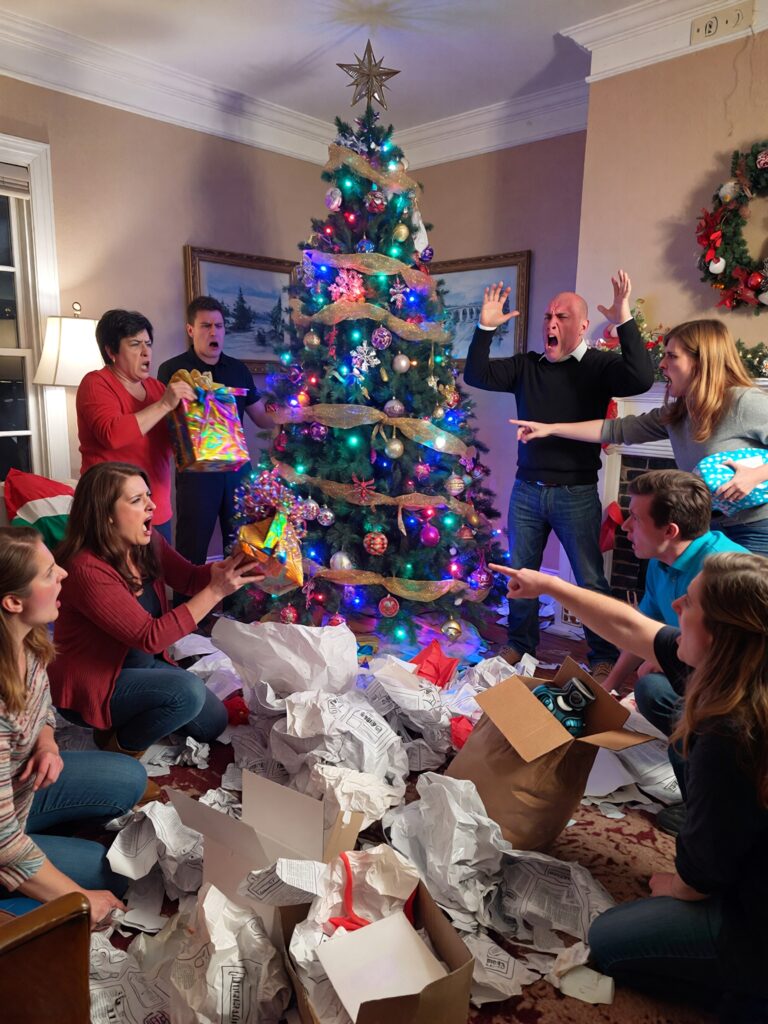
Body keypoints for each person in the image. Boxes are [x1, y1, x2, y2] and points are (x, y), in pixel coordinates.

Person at [491, 554, 768, 1023]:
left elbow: (703, 875)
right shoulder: (738, 669)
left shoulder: (730, 732)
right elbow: (631, 627)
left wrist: (681, 885)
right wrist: (548, 585)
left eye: (691, 602)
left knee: (610, 942)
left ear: (719, 635)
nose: (676, 603)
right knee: (671, 716)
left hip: (756, 918)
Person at [463, 270, 654, 680]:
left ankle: (601, 652)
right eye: (549, 315)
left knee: (589, 580)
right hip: (527, 491)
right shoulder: (526, 366)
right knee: (522, 574)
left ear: (583, 326)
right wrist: (485, 329)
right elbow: (475, 375)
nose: (552, 322)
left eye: (563, 316)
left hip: (576, 493)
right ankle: (519, 645)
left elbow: (642, 378)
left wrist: (624, 319)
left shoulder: (600, 367)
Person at [48, 462, 264, 754]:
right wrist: (216, 591)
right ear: (106, 515)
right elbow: (151, 637)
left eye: (148, 495)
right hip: (96, 682)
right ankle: (120, 751)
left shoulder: (148, 543)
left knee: (213, 724)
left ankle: (130, 715)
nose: (152, 506)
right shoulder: (86, 568)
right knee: (187, 694)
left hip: (141, 664)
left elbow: (189, 577)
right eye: (137, 500)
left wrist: (236, 565)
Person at [510, 318, 768, 554]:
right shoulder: (678, 413)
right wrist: (550, 428)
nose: (662, 364)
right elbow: (614, 429)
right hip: (710, 527)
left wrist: (756, 475)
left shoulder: (742, 401)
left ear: (702, 362)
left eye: (671, 356)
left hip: (757, 528)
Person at [0, 526, 147, 926]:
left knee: (129, 777)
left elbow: (42, 706)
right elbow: (3, 842)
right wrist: (80, 897)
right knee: (109, 876)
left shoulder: (26, 640)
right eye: (48, 573)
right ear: (13, 601)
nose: (63, 574)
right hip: (3, 833)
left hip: (19, 793)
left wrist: (46, 743)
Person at [601, 469, 747, 696]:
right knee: (649, 677)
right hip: (701, 669)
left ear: (670, 531)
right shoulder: (660, 560)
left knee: (650, 687)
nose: (625, 526)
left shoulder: (727, 573)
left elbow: (739, 664)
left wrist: (668, 664)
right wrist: (607, 687)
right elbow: (642, 629)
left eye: (636, 519)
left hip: (738, 689)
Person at [157, 296, 274, 575]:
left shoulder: (238, 370)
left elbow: (260, 417)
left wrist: (295, 415)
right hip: (197, 474)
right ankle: (190, 615)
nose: (213, 332)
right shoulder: (172, 370)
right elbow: (162, 420)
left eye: (219, 326)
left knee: (241, 545)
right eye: (206, 325)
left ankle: (237, 613)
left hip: (237, 471)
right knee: (192, 547)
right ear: (190, 330)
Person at [76, 309, 195, 543]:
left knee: (158, 579)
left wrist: (198, 420)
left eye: (148, 344)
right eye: (134, 344)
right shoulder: (95, 383)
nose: (145, 352)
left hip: (157, 510)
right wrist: (164, 406)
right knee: (117, 579)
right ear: (111, 351)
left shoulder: (158, 389)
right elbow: (112, 434)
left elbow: (175, 446)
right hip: (111, 514)